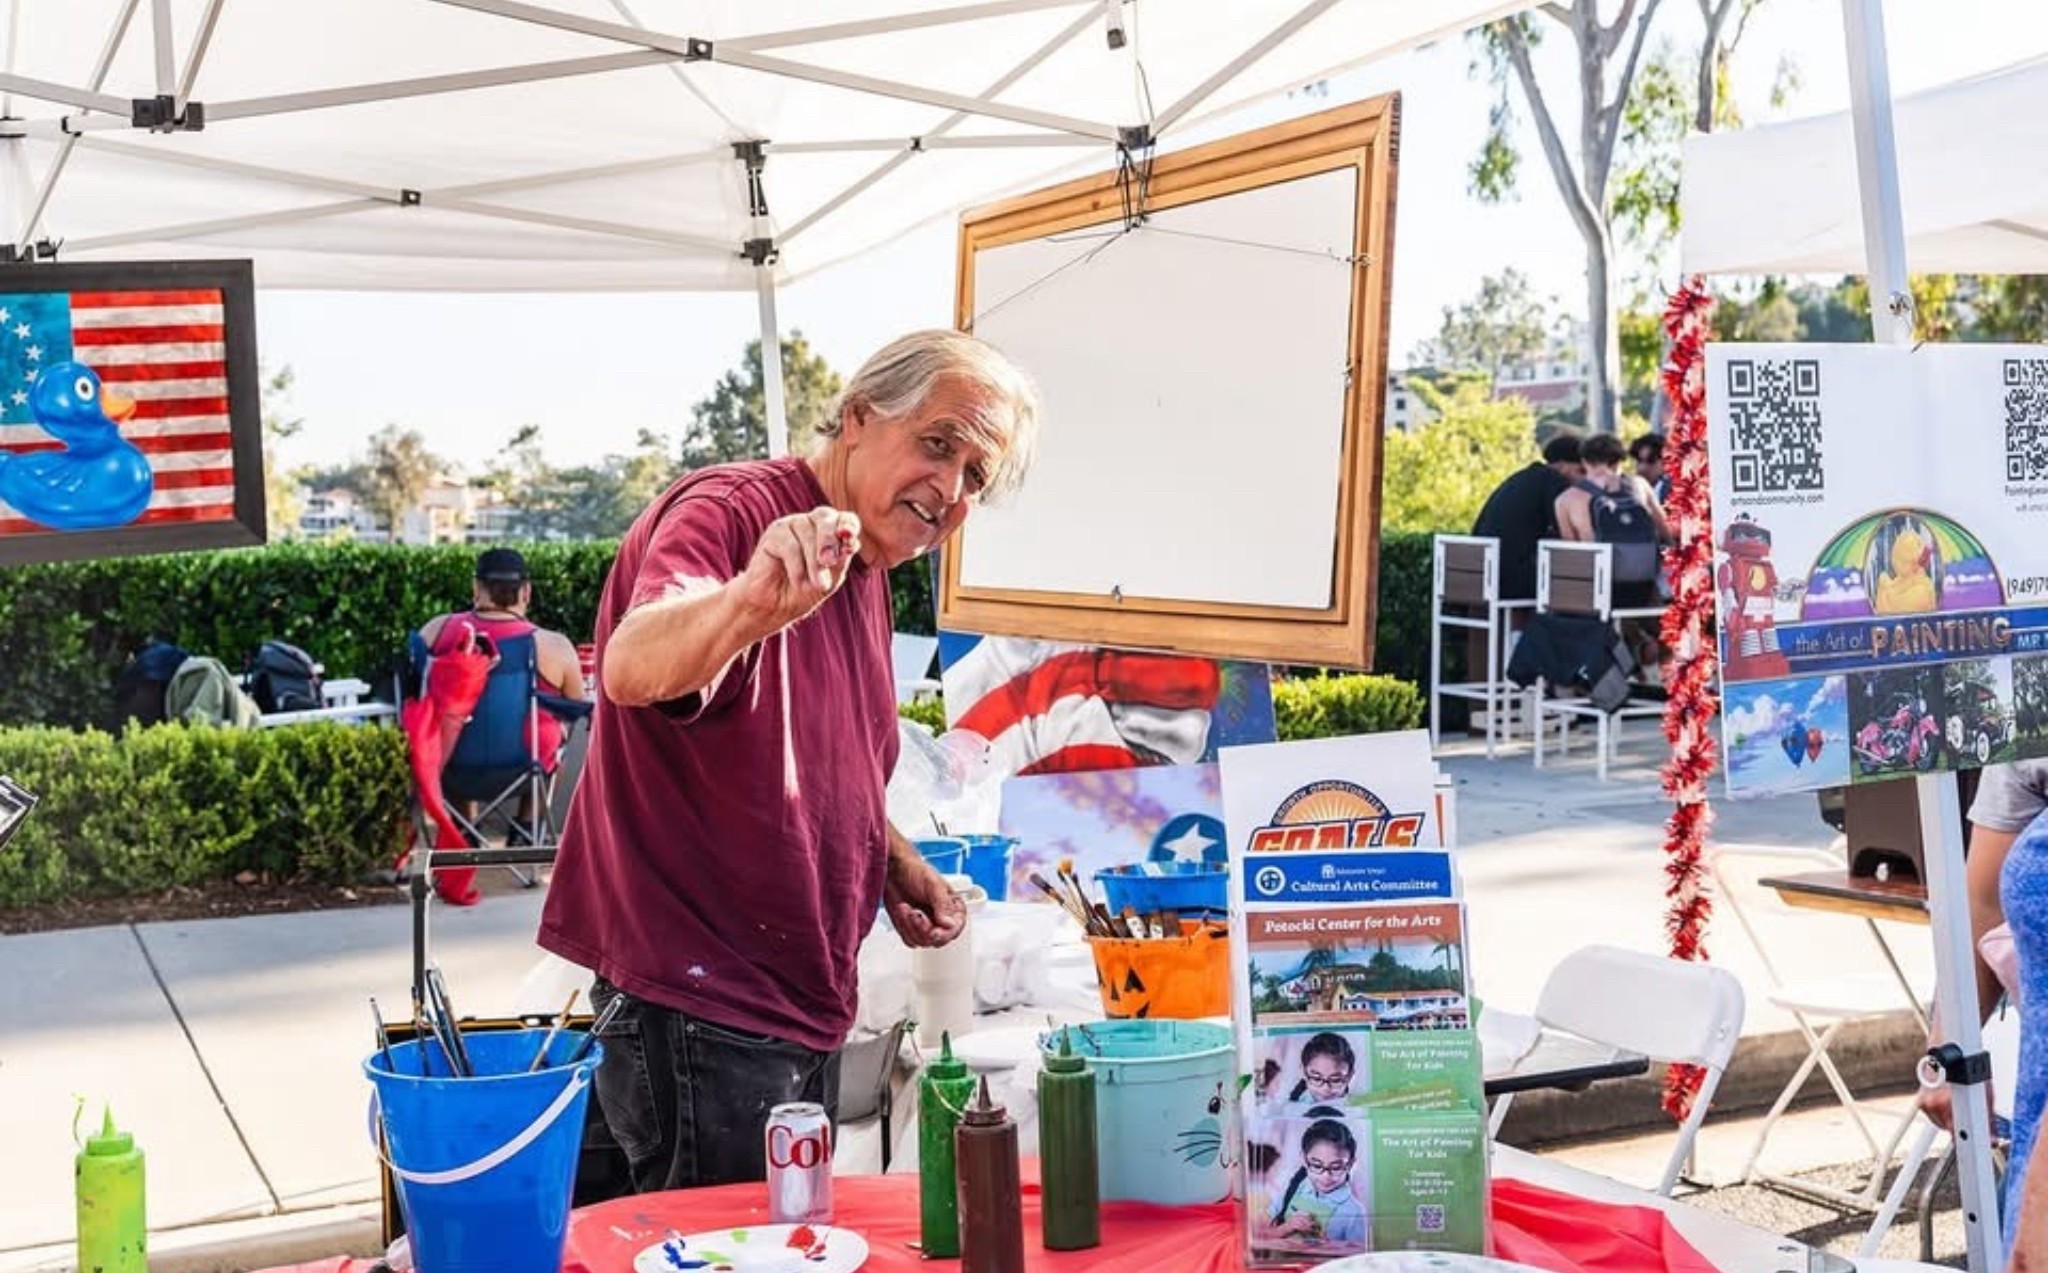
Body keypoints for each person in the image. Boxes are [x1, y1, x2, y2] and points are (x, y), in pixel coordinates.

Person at [538, 329, 1041, 1194]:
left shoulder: (867, 564)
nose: (950, 491)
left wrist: (893, 862)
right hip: (704, 1003)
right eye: (937, 445)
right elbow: (628, 664)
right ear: (855, 416)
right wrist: (747, 603)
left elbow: (816, 757)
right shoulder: (734, 510)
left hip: (791, 1002)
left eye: (974, 479)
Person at [1556, 431, 1671, 610]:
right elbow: (1667, 534)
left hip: (1600, 591)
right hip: (1645, 585)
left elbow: (1572, 552)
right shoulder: (1641, 486)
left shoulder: (1566, 500)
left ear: (1585, 462)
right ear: (1620, 461)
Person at [1472, 434, 1583, 603]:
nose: (1583, 479)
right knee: (1577, 583)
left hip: (1480, 574)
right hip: (1506, 580)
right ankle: (1553, 630)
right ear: (1562, 465)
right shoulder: (1554, 481)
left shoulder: (1524, 477)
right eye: (1580, 471)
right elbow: (1565, 531)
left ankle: (1522, 630)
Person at [1268, 1118, 1366, 1245]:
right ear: (1303, 1159)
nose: (1326, 1176)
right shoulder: (1294, 1188)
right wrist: (1287, 1227)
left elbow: (1359, 1257)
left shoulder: (1355, 1211)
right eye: (1317, 1165)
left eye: (1336, 1167)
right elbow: (1261, 1235)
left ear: (1351, 1164)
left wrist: (1327, 1247)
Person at [1286, 1032, 1357, 1105]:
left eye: (1336, 1080)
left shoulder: (1359, 1105)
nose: (1325, 1088)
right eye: (1316, 1079)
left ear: (1350, 1076)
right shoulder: (1292, 1106)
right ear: (1303, 1072)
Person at [1629, 432, 1669, 503]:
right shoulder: (1630, 494)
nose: (1642, 467)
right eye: (1639, 461)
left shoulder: (1675, 493)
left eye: (1651, 461)